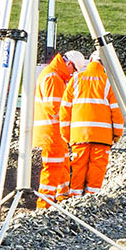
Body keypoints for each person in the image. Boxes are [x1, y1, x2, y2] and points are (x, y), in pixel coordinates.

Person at [66, 53, 125, 197]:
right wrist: (116, 135)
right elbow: (117, 113)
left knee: (78, 165)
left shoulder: (75, 80)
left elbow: (65, 110)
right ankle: (91, 198)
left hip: (79, 136)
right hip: (102, 138)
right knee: (97, 168)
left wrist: (67, 135)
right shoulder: (109, 83)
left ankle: (74, 198)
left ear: (90, 61)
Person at [33, 49, 85, 204]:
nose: (72, 75)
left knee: (62, 164)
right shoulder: (53, 77)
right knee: (53, 166)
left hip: (55, 132)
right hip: (50, 132)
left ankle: (62, 198)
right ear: (69, 64)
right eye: (74, 70)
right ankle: (44, 204)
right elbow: (56, 109)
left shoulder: (55, 75)